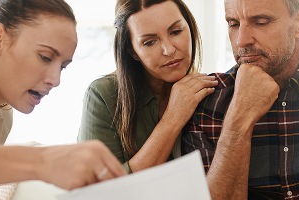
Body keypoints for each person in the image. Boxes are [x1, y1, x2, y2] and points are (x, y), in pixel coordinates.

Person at [0, 0, 127, 199]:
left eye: (62, 66)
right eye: (45, 57)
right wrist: (41, 161)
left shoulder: (0, 120)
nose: (56, 80)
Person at [182, 0, 299, 199]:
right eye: (233, 24)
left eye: (261, 22)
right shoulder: (206, 104)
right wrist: (238, 119)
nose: (241, 41)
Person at [78, 0, 218, 173]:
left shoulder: (209, 92)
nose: (169, 50)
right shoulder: (103, 96)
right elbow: (99, 190)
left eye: (176, 32)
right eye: (149, 42)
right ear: (132, 51)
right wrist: (173, 118)